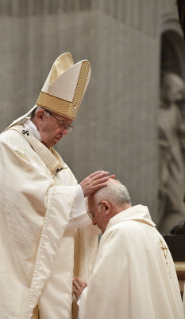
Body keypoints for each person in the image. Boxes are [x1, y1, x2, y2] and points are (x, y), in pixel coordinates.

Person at [0, 52, 114, 319]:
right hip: (20, 271)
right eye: (62, 124)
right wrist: (77, 193)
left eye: (69, 127)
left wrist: (94, 205)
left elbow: (67, 205)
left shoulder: (52, 157)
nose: (64, 132)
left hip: (55, 277)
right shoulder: (10, 145)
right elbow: (26, 205)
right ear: (40, 115)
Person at [73, 179, 184, 319]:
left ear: (106, 207)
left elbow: (108, 303)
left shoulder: (119, 233)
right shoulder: (154, 234)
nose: (93, 222)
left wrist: (85, 298)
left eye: (92, 214)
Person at [158, 72, 185, 233]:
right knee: (169, 199)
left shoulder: (173, 110)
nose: (179, 97)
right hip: (163, 160)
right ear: (167, 89)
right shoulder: (155, 110)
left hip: (175, 160)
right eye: (177, 92)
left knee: (178, 202)